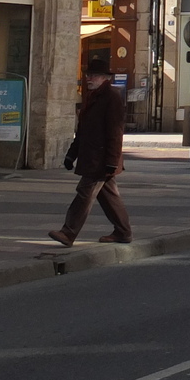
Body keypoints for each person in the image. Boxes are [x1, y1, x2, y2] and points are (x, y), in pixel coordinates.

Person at [49, 56, 131, 247]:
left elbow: (115, 132)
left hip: (101, 159)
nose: (89, 78)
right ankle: (123, 231)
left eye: (93, 75)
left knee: (84, 193)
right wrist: (71, 154)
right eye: (88, 75)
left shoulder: (111, 98)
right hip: (93, 157)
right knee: (109, 197)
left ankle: (68, 233)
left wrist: (112, 160)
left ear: (105, 77)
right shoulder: (93, 97)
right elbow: (83, 131)